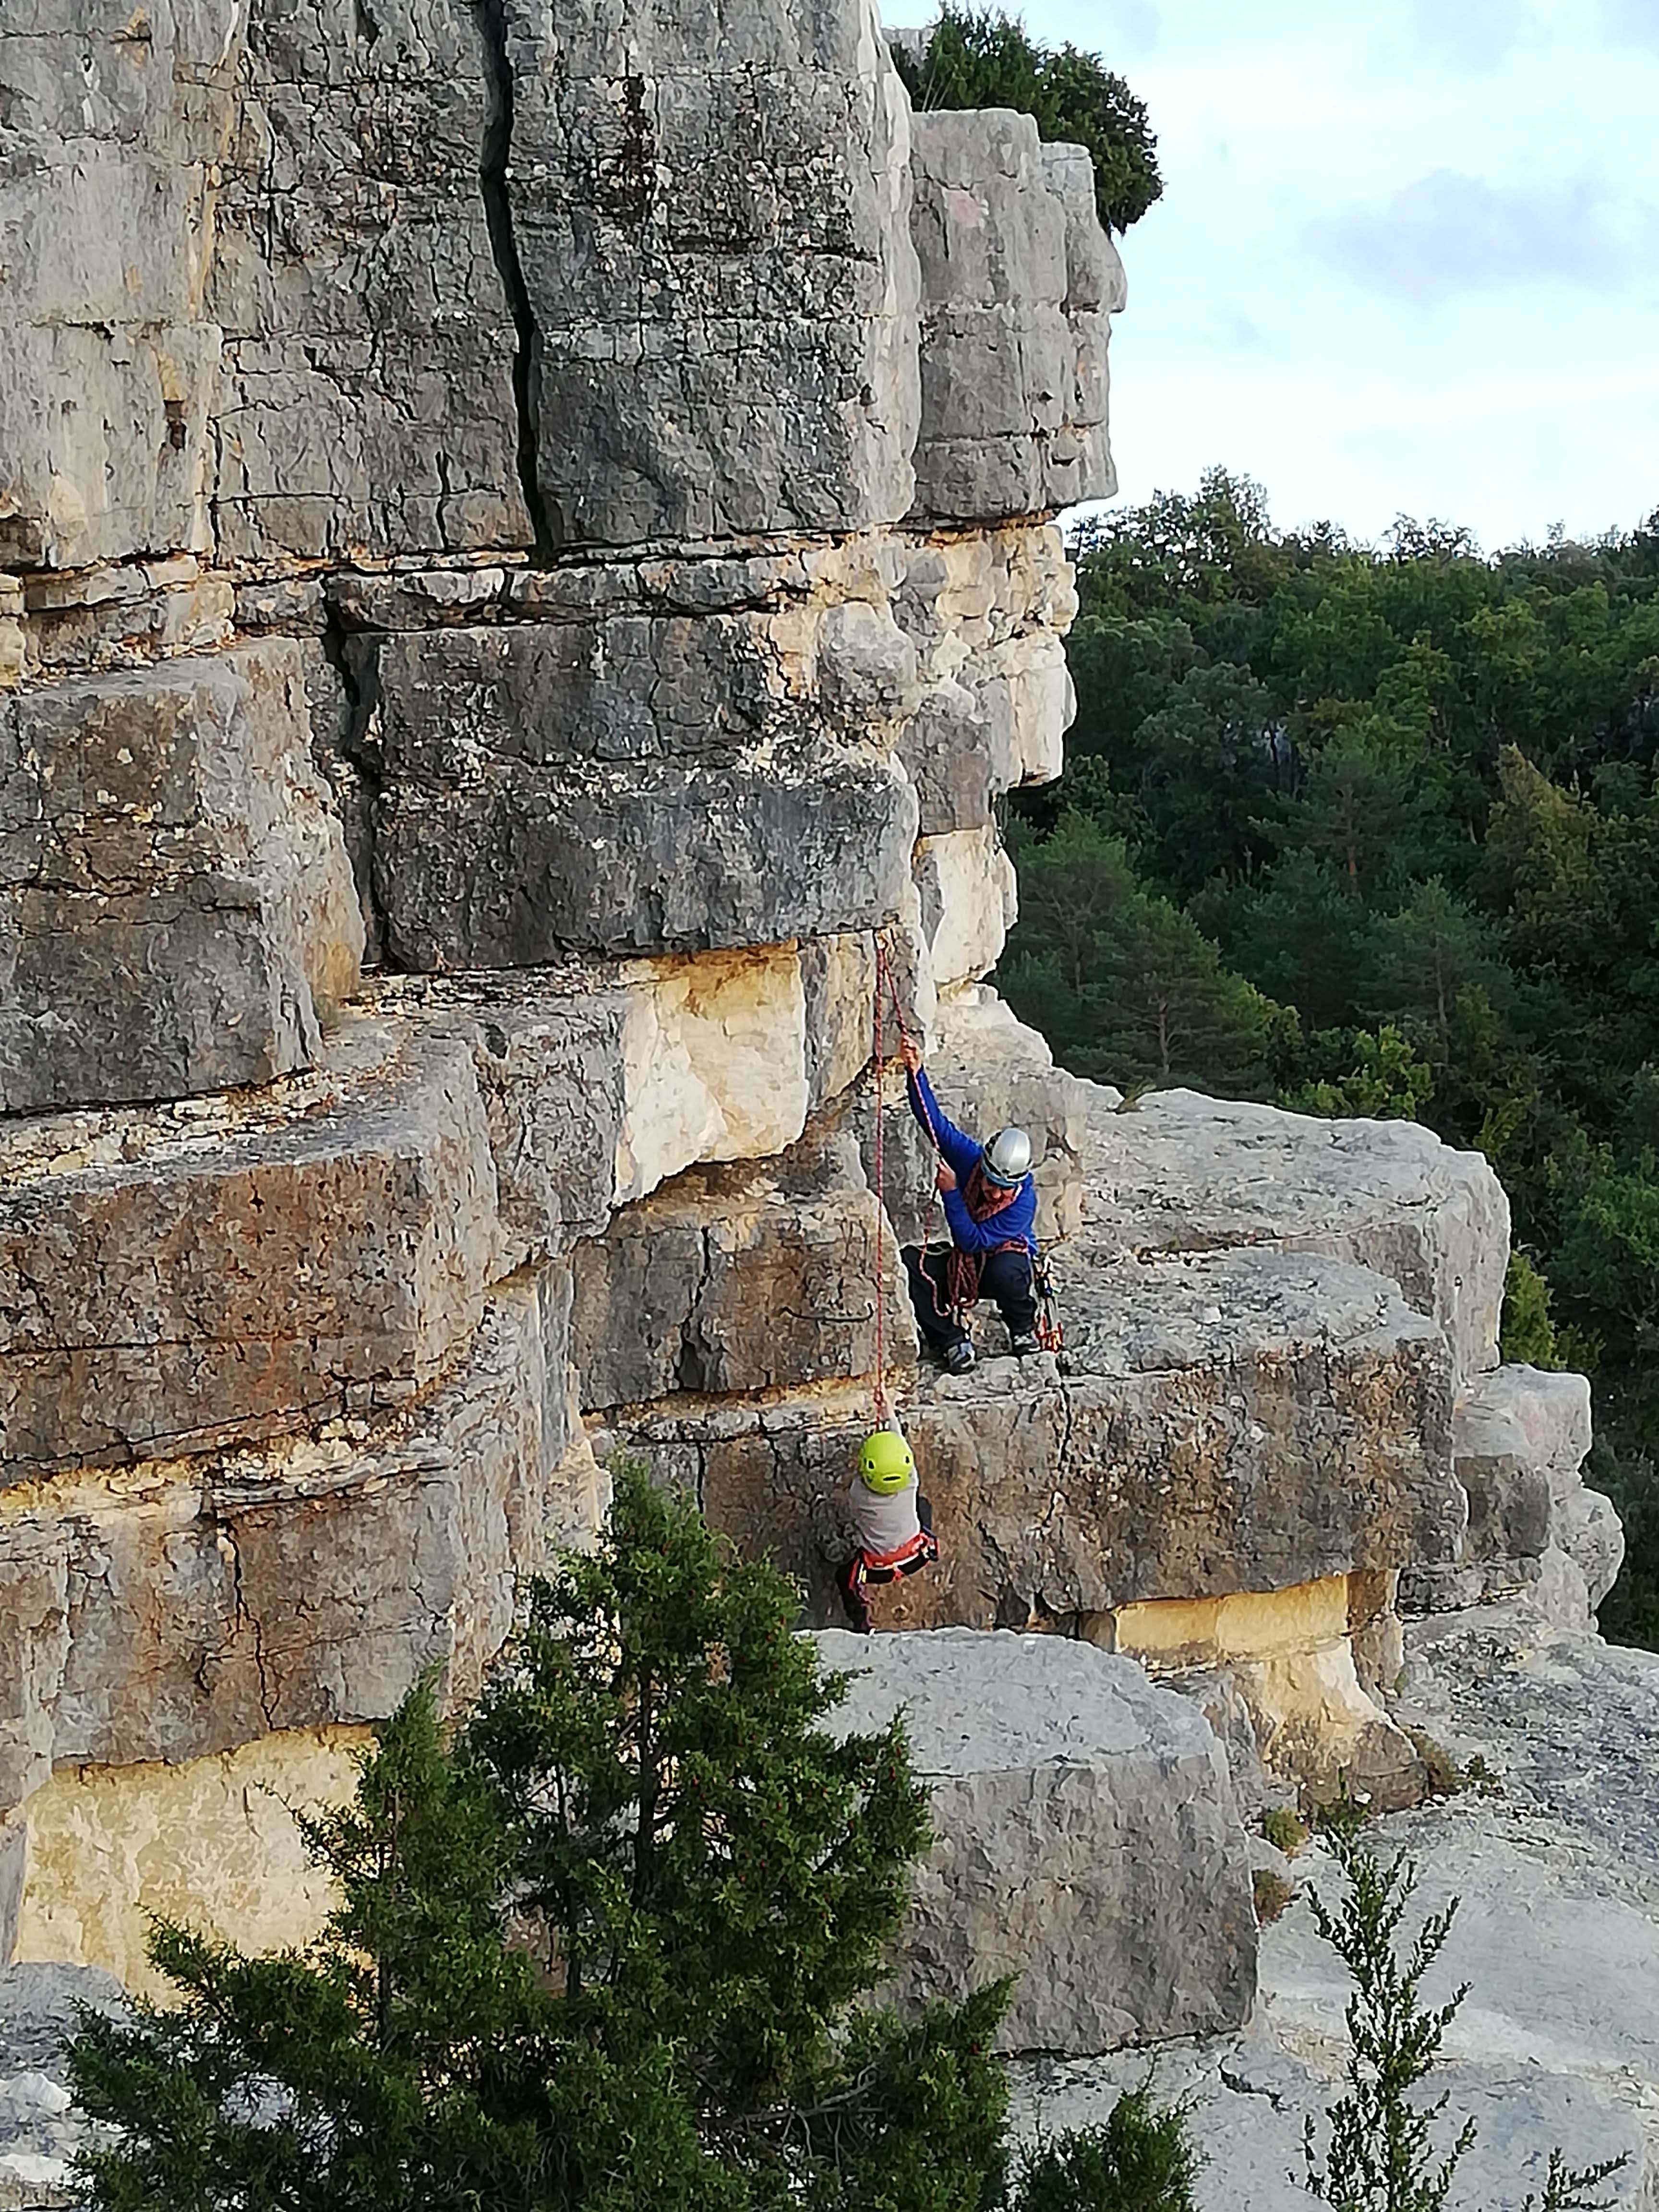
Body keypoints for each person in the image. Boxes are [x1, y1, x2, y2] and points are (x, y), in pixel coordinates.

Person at [899, 1036, 1039, 1374]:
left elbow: (973, 1241)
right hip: (968, 1263)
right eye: (990, 1183)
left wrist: (951, 1192)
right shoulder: (971, 1160)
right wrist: (916, 1071)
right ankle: (950, 1340)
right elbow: (936, 1126)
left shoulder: (1024, 1204)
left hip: (997, 1258)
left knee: (1008, 1270)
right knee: (911, 1264)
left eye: (1004, 1190)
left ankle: (1022, 1328)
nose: (993, 1193)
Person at [833, 1428, 938, 1634]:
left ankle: (860, 1621)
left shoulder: (858, 1493)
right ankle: (923, 1534)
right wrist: (888, 1409)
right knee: (923, 1505)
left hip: (876, 1570)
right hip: (915, 1558)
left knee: (842, 1576)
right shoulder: (912, 1481)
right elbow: (899, 1439)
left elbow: (856, 1515)